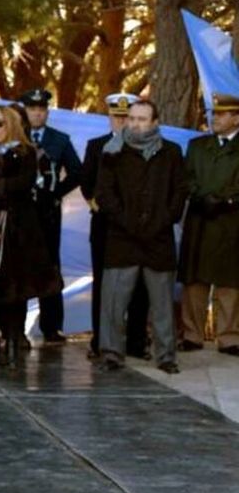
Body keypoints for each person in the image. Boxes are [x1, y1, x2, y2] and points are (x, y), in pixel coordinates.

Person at [0, 105, 62, 369]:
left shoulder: (26, 152)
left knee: (19, 291)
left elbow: (26, 183)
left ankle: (15, 343)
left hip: (21, 231)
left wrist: (0, 186)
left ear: (11, 125)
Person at [96, 100, 187, 373]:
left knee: (161, 303)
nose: (135, 124)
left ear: (155, 122)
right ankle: (112, 353)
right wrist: (125, 221)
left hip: (158, 238)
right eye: (132, 118)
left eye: (142, 119)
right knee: (114, 301)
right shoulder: (112, 152)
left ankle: (166, 356)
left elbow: (179, 192)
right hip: (122, 237)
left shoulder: (171, 152)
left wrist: (163, 219)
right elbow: (104, 193)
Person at [81, 93, 150, 361]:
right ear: (109, 117)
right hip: (106, 226)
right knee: (103, 284)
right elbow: (88, 183)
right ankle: (101, 340)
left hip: (137, 228)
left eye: (125, 117)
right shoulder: (96, 146)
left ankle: (135, 341)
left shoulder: (146, 146)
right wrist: (105, 210)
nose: (120, 122)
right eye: (116, 116)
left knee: (140, 285)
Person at [177, 92, 239, 355]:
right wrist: (201, 197)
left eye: (222, 114)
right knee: (195, 281)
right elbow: (185, 178)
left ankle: (230, 337)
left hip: (232, 222)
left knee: (230, 282)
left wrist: (226, 202)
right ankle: (192, 334)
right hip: (200, 220)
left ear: (236, 118)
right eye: (214, 113)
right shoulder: (197, 146)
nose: (215, 118)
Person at [20, 88, 82, 344]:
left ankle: (51, 327)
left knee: (49, 268)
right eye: (32, 109)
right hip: (20, 212)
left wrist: (57, 193)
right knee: (19, 268)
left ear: (46, 112)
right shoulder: (15, 135)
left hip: (47, 214)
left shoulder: (59, 139)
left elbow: (77, 172)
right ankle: (16, 330)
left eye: (41, 109)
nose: (37, 113)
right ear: (25, 111)